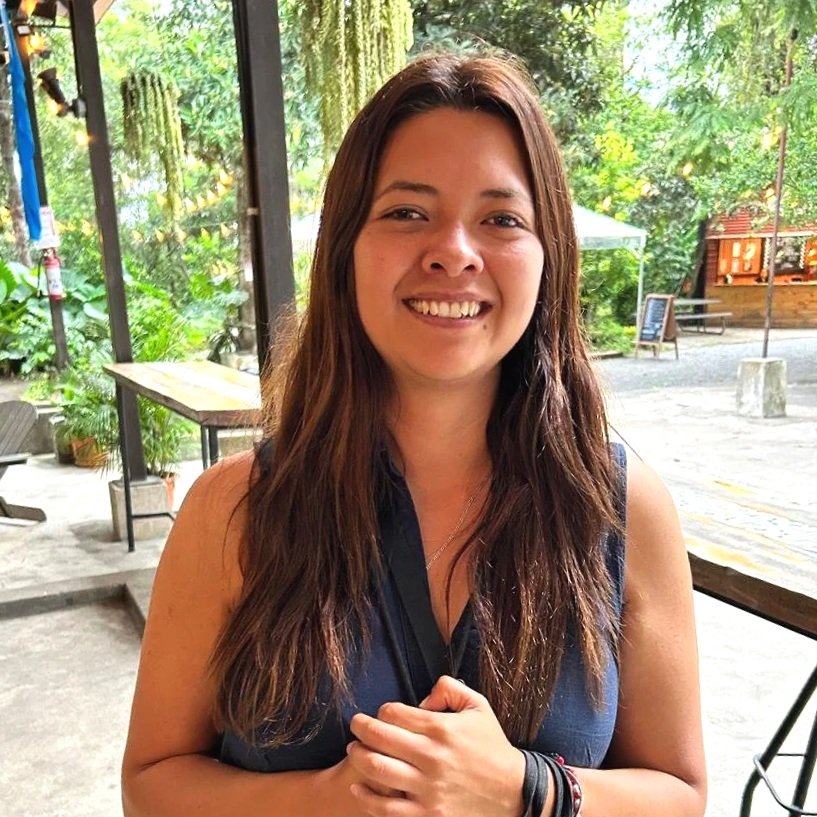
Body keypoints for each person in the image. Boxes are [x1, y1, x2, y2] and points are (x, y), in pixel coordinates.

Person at [122, 52, 706, 817]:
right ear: (344, 251)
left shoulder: (619, 508)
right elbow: (152, 781)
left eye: (500, 218)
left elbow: (680, 792)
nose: (453, 251)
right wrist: (329, 798)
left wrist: (525, 789)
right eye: (406, 212)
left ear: (547, 257)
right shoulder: (232, 510)